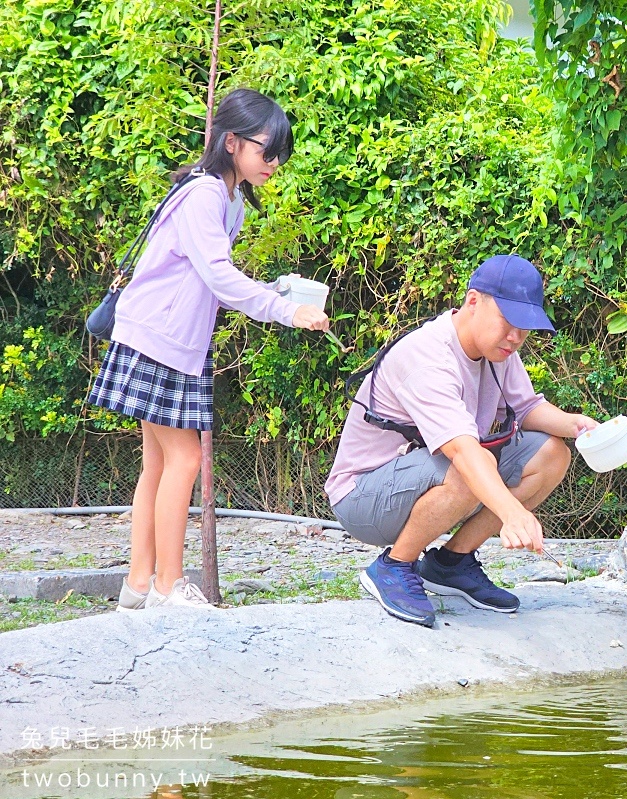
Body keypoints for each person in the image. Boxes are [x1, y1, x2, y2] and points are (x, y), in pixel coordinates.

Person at [88, 89, 329, 610]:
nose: (275, 164)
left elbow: (209, 277)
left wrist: (276, 295)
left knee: (158, 463)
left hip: (166, 339)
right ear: (232, 143)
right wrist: (286, 310)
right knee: (184, 460)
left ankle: (137, 585)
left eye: (280, 154)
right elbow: (219, 277)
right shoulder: (204, 196)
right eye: (268, 151)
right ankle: (170, 587)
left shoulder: (228, 196)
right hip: (160, 341)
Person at [325, 254, 597, 628]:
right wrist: (513, 513)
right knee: (470, 466)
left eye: (525, 328)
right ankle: (393, 566)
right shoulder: (428, 355)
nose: (516, 337)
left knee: (553, 453)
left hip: (437, 477)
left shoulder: (498, 349)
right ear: (473, 301)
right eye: (509, 322)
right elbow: (465, 453)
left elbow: (528, 407)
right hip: (363, 497)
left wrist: (578, 425)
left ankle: (450, 564)